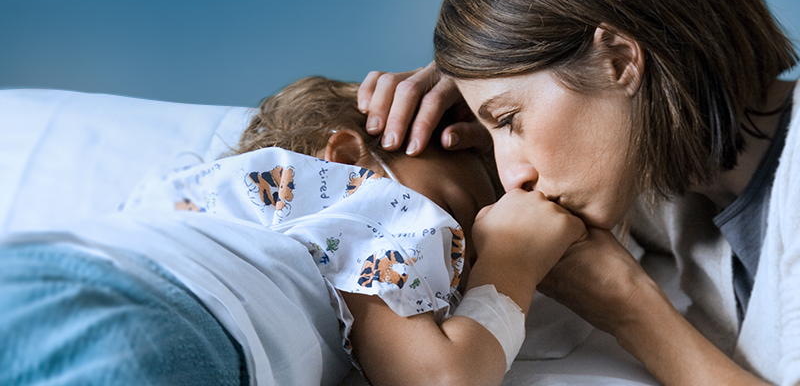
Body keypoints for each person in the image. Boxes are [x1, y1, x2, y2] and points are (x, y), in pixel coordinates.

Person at [359, 0, 800, 386]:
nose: (511, 176)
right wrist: (479, 80)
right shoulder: (678, 188)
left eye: (510, 120)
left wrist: (631, 311)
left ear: (618, 61)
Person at [0, 75, 585, 386]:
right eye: (463, 206)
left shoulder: (206, 192)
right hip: (153, 324)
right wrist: (511, 259)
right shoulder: (370, 203)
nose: (468, 238)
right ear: (348, 154)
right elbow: (438, 379)